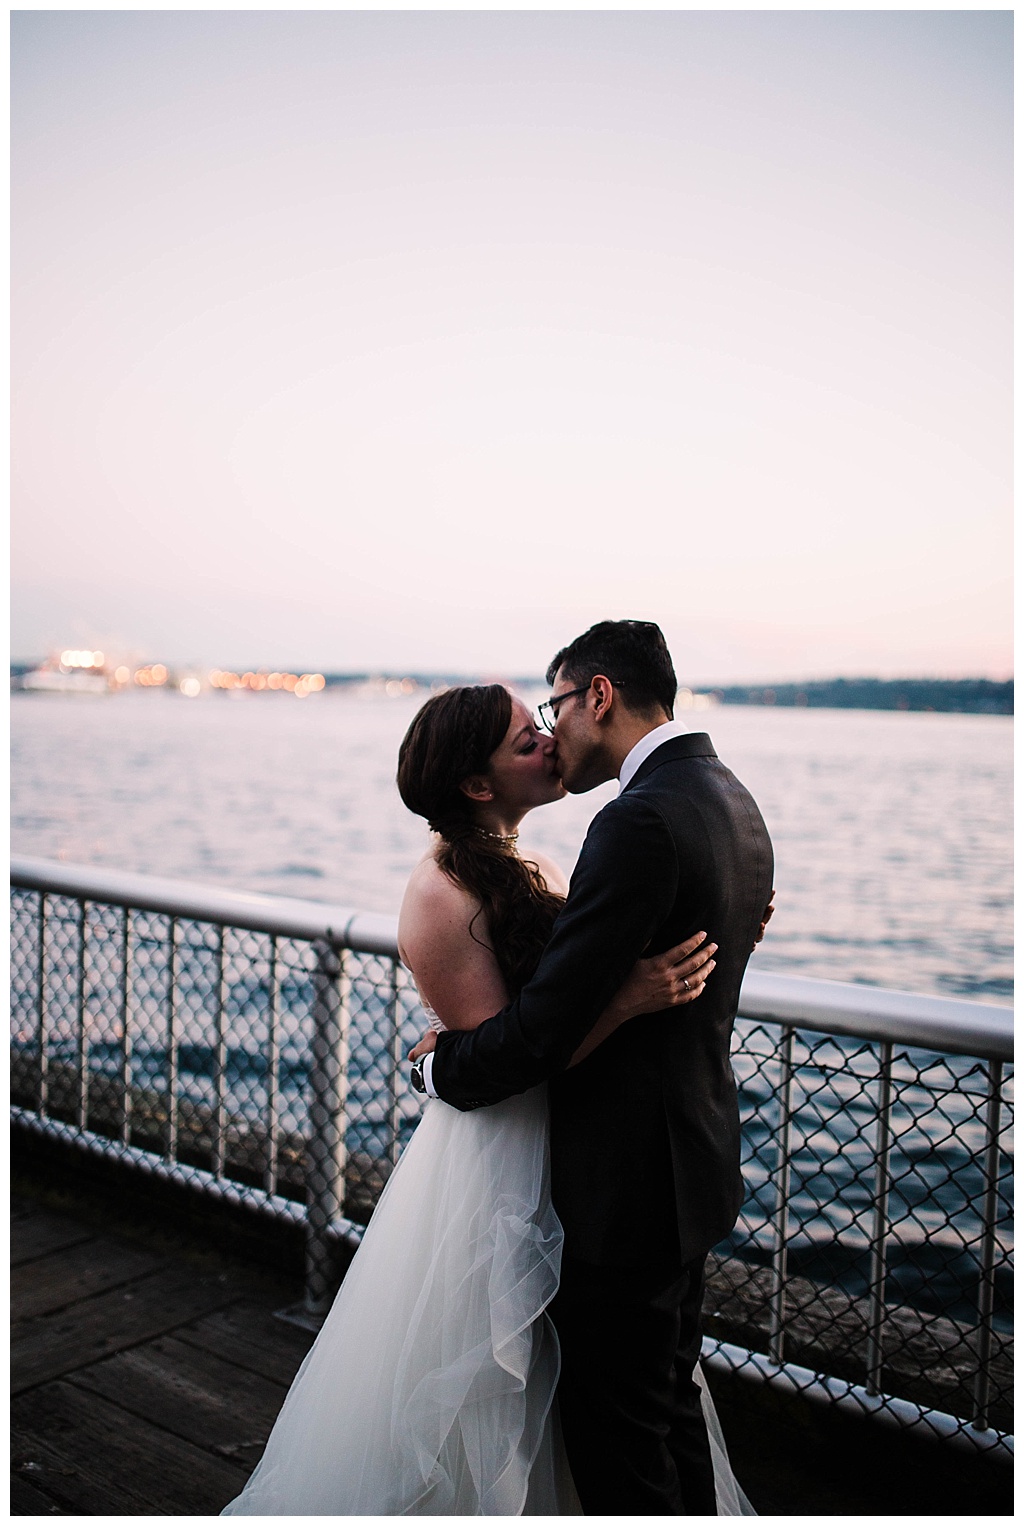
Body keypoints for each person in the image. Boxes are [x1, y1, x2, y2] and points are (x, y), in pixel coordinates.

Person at [222, 674, 759, 1515]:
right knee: (506, 1387)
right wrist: (620, 1001)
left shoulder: (536, 863)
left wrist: (721, 917)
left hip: (582, 1146)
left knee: (609, 1393)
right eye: (524, 739)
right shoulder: (440, 892)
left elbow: (585, 974)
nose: (549, 740)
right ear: (477, 784)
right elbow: (515, 1056)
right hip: (507, 1160)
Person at [421, 621, 775, 1515]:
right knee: (663, 1412)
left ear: (600, 697)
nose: (553, 732)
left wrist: (437, 1069)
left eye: (555, 709)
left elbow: (540, 1033)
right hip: (685, 1161)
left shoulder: (638, 819)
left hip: (627, 1185)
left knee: (620, 1441)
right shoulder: (727, 797)